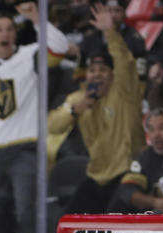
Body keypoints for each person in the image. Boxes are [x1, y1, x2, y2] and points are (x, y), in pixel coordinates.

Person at [0, 9, 69, 233]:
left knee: (28, 212)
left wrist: (38, 20)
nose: (5, 34)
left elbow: (60, 48)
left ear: (16, 34)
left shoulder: (30, 56)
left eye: (9, 29)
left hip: (24, 149)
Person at [50, 4, 145, 217]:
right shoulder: (80, 98)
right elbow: (53, 125)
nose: (96, 74)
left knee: (110, 229)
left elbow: (125, 63)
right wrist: (76, 110)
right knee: (68, 225)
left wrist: (110, 33)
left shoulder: (124, 93)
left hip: (128, 173)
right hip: (97, 175)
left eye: (103, 69)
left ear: (112, 75)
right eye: (92, 70)